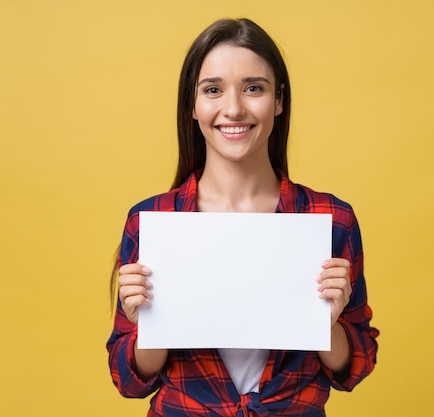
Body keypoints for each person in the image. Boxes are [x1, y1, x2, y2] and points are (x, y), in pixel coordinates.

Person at [107, 18, 379, 417]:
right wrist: (148, 324)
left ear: (279, 100)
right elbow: (128, 381)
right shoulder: (152, 220)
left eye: (254, 88)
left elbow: (354, 368)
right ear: (193, 105)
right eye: (213, 90)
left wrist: (327, 321)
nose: (233, 108)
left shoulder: (330, 219)